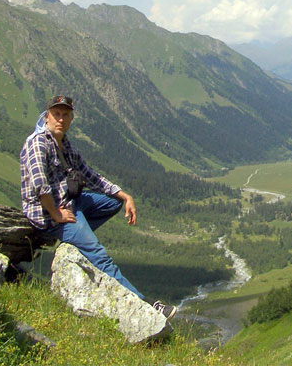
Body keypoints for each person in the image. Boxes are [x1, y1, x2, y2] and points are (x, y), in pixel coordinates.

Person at [20, 95, 176, 320]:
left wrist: (125, 196)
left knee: (113, 202)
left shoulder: (65, 146)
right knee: (100, 255)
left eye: (66, 115)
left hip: (70, 203)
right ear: (47, 117)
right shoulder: (38, 143)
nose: (61, 119)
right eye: (56, 114)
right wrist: (56, 214)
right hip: (49, 213)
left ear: (71, 118)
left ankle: (76, 240)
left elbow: (90, 175)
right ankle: (146, 307)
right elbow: (40, 186)